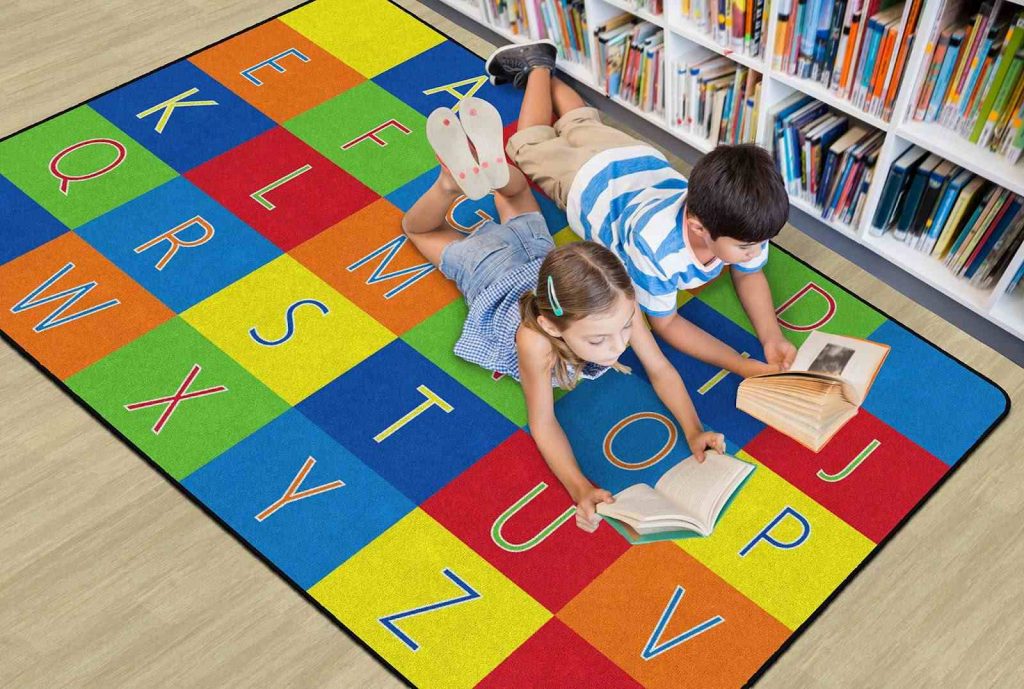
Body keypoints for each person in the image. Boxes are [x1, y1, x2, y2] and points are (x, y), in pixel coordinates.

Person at [403, 96, 724, 531]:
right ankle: (448, 183)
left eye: (624, 329)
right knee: (420, 230)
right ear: (553, 326)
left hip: (541, 255)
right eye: (597, 341)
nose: (617, 348)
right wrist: (579, 487)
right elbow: (543, 420)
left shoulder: (619, 304)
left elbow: (660, 367)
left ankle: (491, 171)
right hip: (489, 269)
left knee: (514, 191)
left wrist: (692, 429)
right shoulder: (534, 341)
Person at [485, 40, 798, 377]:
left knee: (580, 126)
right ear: (698, 228)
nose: (755, 253)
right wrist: (740, 364)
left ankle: (548, 69)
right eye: (746, 247)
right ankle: (538, 67)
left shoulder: (746, 223)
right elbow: (667, 324)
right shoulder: (657, 249)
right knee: (531, 145)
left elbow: (749, 273)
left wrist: (771, 338)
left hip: (635, 160)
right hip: (585, 184)